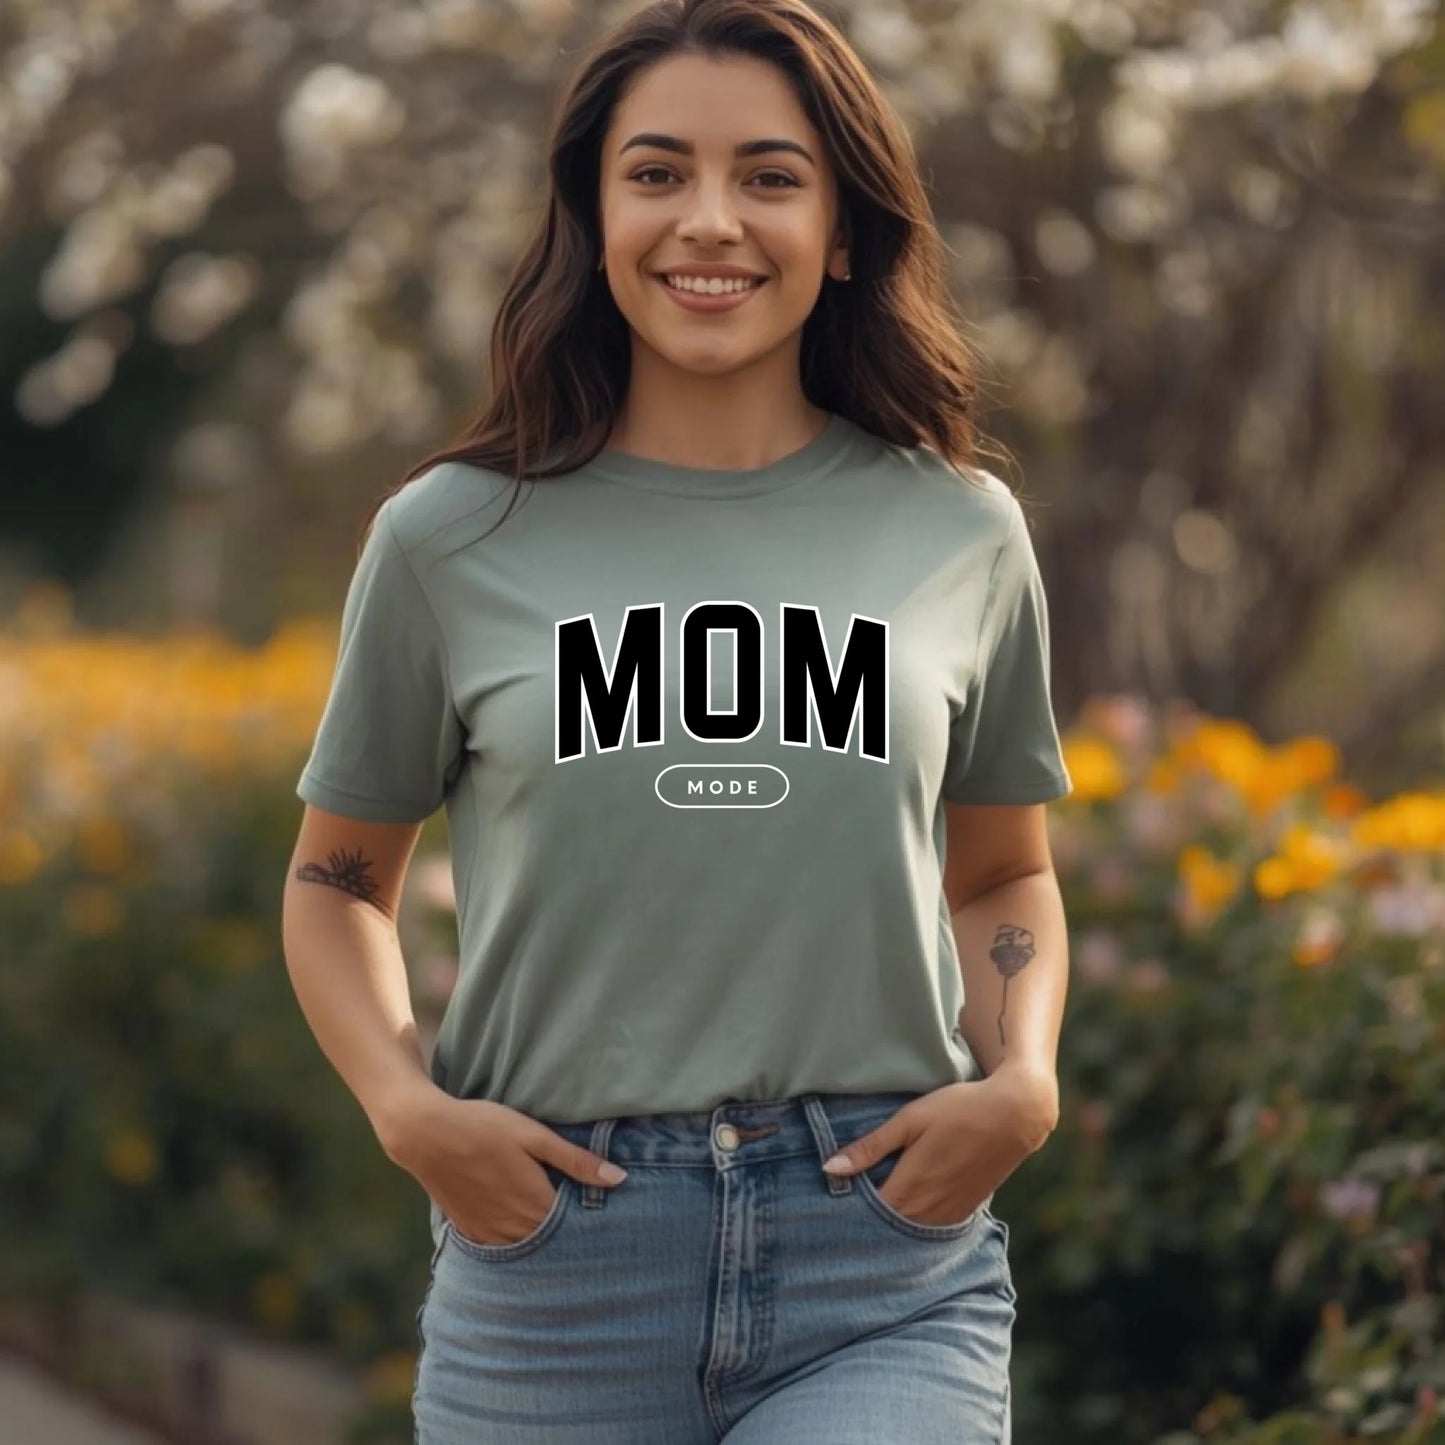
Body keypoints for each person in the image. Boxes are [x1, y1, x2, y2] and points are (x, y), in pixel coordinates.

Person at [280, 2, 1073, 1440]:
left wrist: (1019, 1081)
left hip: (879, 1257)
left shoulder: (960, 530)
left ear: (840, 229)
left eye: (768, 176)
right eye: (656, 173)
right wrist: (408, 1110)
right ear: (592, 215)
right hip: (557, 1266)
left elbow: (1002, 872)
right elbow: (337, 880)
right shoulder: (450, 536)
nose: (708, 220)